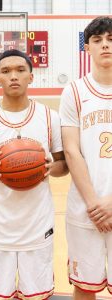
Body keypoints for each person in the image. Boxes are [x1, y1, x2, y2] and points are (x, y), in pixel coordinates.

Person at [0, 49, 68, 300]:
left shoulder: (50, 117)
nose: (14, 76)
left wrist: (50, 167)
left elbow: (63, 164)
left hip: (37, 224)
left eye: (20, 70)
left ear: (31, 77)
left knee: (37, 295)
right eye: (6, 71)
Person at [59, 16, 112, 299]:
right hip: (85, 209)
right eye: (98, 40)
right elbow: (71, 150)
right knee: (84, 286)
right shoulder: (75, 91)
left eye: (111, 39)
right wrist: (94, 203)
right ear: (87, 48)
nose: (105, 45)